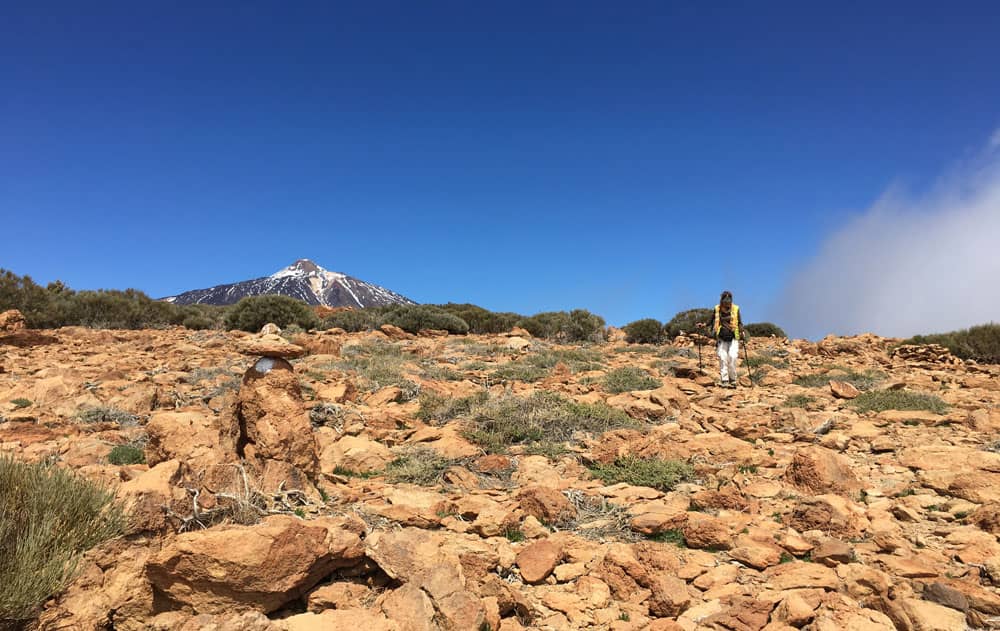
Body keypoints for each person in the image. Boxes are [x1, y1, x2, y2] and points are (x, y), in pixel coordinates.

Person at [708, 291, 747, 388]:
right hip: (721, 336)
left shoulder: (735, 308)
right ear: (722, 300)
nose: (727, 301)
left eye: (729, 299)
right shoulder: (717, 309)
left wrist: (742, 331)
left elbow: (740, 322)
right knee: (722, 357)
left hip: (733, 336)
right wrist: (704, 325)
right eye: (725, 299)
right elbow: (711, 320)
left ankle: (733, 379)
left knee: (732, 356)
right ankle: (724, 380)